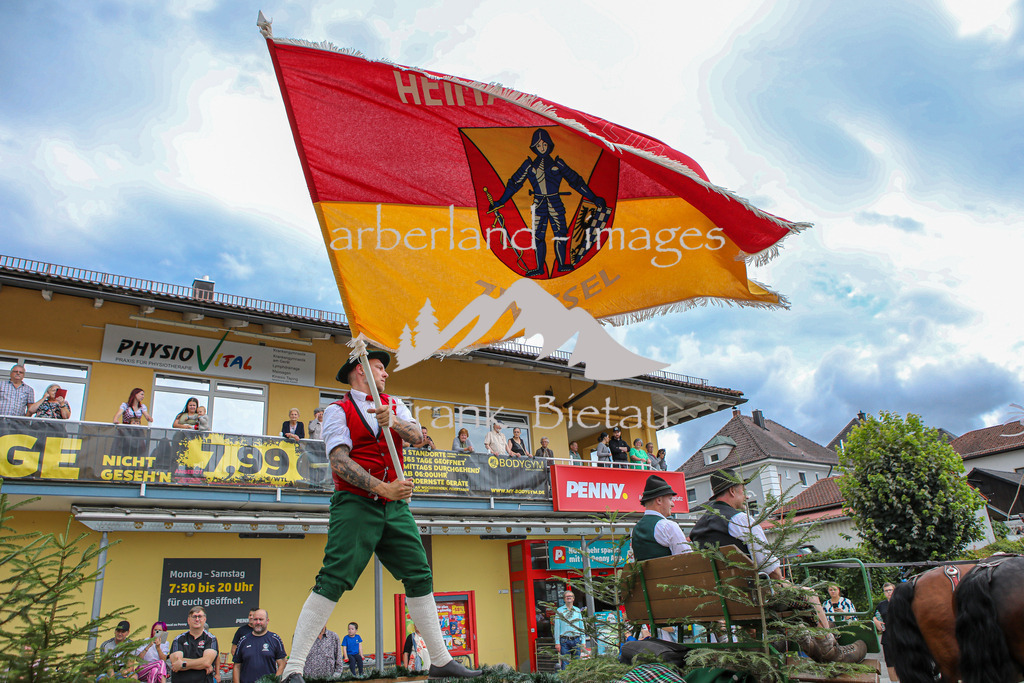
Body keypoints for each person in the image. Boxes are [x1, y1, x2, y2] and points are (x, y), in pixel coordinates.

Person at [277, 348, 480, 682]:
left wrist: (394, 421)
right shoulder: (336, 410)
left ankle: (440, 662)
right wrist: (383, 489)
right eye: (378, 368)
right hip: (355, 502)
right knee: (334, 577)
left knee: (419, 574)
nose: (385, 374)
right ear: (361, 371)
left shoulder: (394, 403)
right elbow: (339, 462)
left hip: (394, 506)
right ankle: (294, 668)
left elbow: (419, 439)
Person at [689, 468, 867, 664]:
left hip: (720, 599)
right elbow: (770, 568)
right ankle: (831, 651)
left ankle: (814, 645)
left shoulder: (698, 529)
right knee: (808, 595)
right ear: (732, 491)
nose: (745, 494)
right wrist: (783, 583)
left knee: (793, 600)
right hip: (753, 596)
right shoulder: (741, 520)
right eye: (742, 489)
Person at [488, 127, 606, 276]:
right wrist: (501, 201)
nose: (542, 148)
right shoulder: (529, 166)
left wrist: (593, 197)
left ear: (549, 145)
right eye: (538, 145)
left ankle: (562, 264)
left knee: (561, 233)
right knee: (538, 236)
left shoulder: (559, 164)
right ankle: (539, 267)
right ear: (534, 147)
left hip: (555, 202)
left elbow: (576, 182)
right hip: (538, 204)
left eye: (544, 144)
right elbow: (514, 184)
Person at [631, 475, 692, 561]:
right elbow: (688, 559)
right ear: (659, 500)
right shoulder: (668, 526)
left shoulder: (634, 530)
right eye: (670, 499)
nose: (673, 504)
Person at [233, 608, 286, 683]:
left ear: (267, 621)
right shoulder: (243, 640)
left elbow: (282, 664)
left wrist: (275, 681)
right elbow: (237, 666)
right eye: (255, 619)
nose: (258, 622)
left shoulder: (275, 639)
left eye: (261, 619)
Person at [169, 606, 218, 682]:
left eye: (200, 616)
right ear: (188, 620)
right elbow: (176, 663)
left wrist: (183, 664)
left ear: (204, 620)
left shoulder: (211, 639)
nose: (197, 619)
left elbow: (206, 662)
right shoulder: (178, 639)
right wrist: (202, 664)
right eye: (194, 616)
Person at [873, 582, 899, 682]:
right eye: (886, 591)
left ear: (894, 590)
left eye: (890, 590)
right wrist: (875, 621)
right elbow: (875, 615)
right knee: (890, 663)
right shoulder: (881, 605)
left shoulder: (902, 602)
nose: (888, 593)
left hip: (901, 636)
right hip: (888, 637)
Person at [552, 590, 584, 669]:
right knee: (565, 664)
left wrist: (583, 641)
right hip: (564, 641)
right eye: (567, 596)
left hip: (577, 640)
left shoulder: (577, 611)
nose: (569, 597)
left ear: (573, 599)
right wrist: (557, 642)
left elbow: (581, 626)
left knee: (577, 664)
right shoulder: (559, 611)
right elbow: (557, 628)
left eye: (570, 596)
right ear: (564, 599)